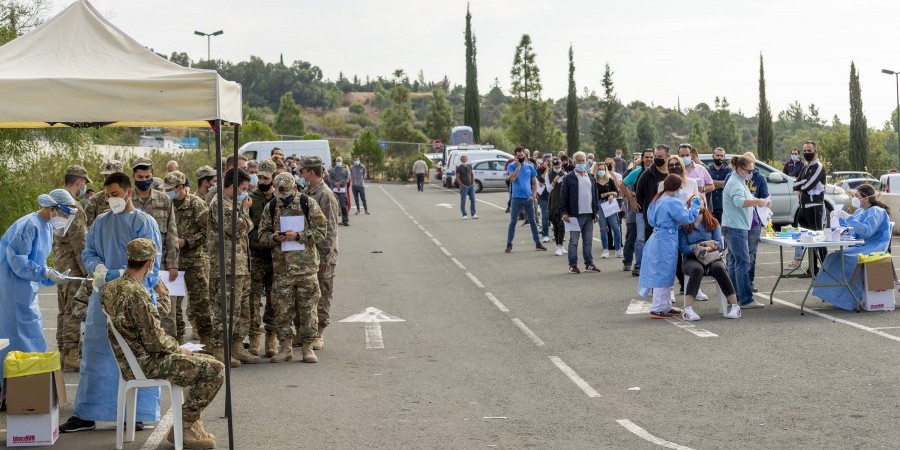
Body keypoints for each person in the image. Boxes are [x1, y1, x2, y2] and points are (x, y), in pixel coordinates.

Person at [62, 172, 163, 433]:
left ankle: (135, 412)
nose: (111, 200)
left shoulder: (143, 222)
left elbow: (152, 263)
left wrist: (123, 275)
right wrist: (99, 268)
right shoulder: (101, 222)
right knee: (96, 353)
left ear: (129, 192)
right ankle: (87, 412)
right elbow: (89, 252)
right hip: (103, 297)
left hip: (133, 299)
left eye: (115, 195)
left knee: (134, 354)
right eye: (108, 196)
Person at [102, 238, 224, 449]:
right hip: (147, 362)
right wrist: (180, 349)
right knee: (216, 369)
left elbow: (147, 320)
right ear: (150, 262)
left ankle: (190, 424)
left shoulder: (111, 288)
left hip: (134, 359)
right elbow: (155, 341)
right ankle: (184, 426)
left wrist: (160, 295)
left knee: (206, 360)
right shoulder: (137, 294)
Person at [0, 190, 77, 383]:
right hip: (11, 288)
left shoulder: (46, 227)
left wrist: (50, 276)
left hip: (24, 288)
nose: (65, 219)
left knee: (29, 332)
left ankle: (27, 387)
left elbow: (37, 262)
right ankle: (15, 387)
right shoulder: (29, 225)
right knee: (15, 336)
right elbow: (19, 263)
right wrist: (44, 272)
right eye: (65, 214)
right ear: (53, 208)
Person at [258, 173, 328, 363]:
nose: (284, 200)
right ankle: (285, 348)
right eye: (281, 197)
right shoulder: (271, 206)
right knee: (282, 310)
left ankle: (307, 347)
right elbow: (261, 235)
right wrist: (274, 238)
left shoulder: (308, 203)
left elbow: (321, 231)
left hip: (306, 268)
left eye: (287, 195)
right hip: (282, 269)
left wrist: (298, 236)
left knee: (308, 310)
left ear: (295, 188)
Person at [207, 168, 259, 366]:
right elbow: (237, 229)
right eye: (243, 188)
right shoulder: (221, 205)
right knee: (225, 310)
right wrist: (246, 211)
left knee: (241, 309)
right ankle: (220, 349)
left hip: (240, 266)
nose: (245, 193)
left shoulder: (233, 204)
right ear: (233, 186)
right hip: (226, 267)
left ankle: (237, 346)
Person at [813, 184, 892, 310]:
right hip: (862, 245)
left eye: (857, 196)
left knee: (842, 258)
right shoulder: (861, 211)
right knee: (833, 256)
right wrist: (838, 219)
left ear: (865, 198)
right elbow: (853, 228)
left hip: (874, 247)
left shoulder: (877, 211)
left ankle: (848, 298)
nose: (854, 198)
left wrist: (847, 217)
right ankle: (835, 295)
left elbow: (866, 231)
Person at [131, 157, 181, 339]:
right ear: (133, 176)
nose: (144, 180)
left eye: (147, 176)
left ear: (152, 176)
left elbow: (171, 234)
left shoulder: (164, 200)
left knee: (166, 310)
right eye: (140, 177)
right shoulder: (127, 200)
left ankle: (168, 348)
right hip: (134, 266)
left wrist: (173, 263)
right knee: (137, 310)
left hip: (161, 266)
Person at [638, 175, 702, 318]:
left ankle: (665, 305)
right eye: (680, 187)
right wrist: (696, 205)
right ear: (675, 187)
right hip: (666, 239)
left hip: (658, 237)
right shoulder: (673, 202)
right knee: (663, 272)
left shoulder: (657, 200)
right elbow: (687, 218)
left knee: (665, 271)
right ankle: (657, 308)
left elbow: (650, 220)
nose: (680, 190)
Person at [163, 171, 210, 346]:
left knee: (201, 301)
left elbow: (209, 231)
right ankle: (178, 338)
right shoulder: (166, 204)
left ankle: (207, 339)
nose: (167, 192)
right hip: (173, 262)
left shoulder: (196, 204)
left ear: (180, 187)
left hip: (195, 260)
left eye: (170, 189)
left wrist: (187, 242)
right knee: (173, 303)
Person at [298, 156, 341, 351]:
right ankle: (307, 331)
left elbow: (330, 230)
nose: (300, 174)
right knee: (309, 295)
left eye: (303, 171)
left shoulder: (325, 195)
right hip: (308, 255)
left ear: (311, 172)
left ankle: (319, 333)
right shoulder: (308, 192)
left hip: (323, 255)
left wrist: (325, 257)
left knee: (323, 294)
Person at [678, 195, 742, 321]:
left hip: (711, 257)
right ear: (690, 206)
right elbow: (684, 248)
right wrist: (698, 246)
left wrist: (707, 247)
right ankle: (687, 310)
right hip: (691, 258)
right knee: (697, 269)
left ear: (705, 204)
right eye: (694, 200)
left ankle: (735, 306)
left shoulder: (713, 222)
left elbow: (720, 244)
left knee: (719, 268)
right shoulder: (684, 226)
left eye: (700, 200)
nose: (698, 202)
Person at [55, 166, 91, 371]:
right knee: (72, 312)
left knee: (63, 311)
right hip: (73, 269)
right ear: (79, 182)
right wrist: (88, 271)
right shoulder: (73, 207)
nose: (85, 187)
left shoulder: (56, 203)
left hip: (60, 265)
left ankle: (62, 351)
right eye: (84, 182)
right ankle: (71, 355)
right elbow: (80, 244)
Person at [722, 155, 770, 310]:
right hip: (736, 227)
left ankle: (734, 296)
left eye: (753, 170)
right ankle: (745, 299)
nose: (751, 173)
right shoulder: (735, 182)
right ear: (740, 169)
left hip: (737, 225)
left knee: (736, 262)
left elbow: (746, 198)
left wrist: (760, 201)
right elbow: (739, 202)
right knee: (742, 262)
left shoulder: (739, 181)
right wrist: (759, 202)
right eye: (749, 170)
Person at [248, 160, 277, 356]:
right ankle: (254, 338)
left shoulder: (280, 199)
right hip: (255, 255)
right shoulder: (251, 198)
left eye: (266, 177)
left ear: (273, 177)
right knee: (252, 299)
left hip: (275, 256)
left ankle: (272, 339)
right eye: (259, 177)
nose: (262, 180)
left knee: (274, 298)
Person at [559, 151, 600, 273]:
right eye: (579, 161)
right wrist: (564, 212)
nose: (581, 163)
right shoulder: (569, 178)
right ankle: (573, 265)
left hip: (589, 214)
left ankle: (589, 264)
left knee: (588, 241)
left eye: (583, 161)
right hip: (574, 215)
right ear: (575, 162)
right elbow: (563, 196)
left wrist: (596, 212)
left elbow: (595, 195)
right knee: (574, 242)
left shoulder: (590, 177)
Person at [791, 141, 827, 270]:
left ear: (815, 151)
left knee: (818, 237)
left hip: (814, 206)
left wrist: (802, 185)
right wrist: (801, 184)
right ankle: (813, 268)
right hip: (803, 207)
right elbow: (795, 184)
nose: (806, 153)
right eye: (804, 151)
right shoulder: (805, 167)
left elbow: (808, 185)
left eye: (809, 151)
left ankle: (826, 267)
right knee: (807, 239)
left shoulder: (818, 167)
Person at [505, 147, 547, 253]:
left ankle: (538, 243)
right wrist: (518, 167)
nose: (521, 158)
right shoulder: (511, 166)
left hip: (528, 198)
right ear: (515, 156)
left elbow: (534, 182)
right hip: (516, 198)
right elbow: (512, 178)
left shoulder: (530, 167)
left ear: (525, 155)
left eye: (522, 156)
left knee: (533, 221)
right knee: (513, 221)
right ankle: (509, 244)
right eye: (518, 156)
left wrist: (533, 195)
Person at [741, 152, 770, 294]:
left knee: (751, 252)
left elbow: (765, 198)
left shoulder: (759, 178)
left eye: (751, 166)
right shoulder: (734, 177)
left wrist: (764, 202)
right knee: (735, 254)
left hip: (754, 220)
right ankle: (735, 283)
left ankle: (750, 282)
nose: (749, 171)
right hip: (738, 220)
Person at [623, 149, 654, 275]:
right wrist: (632, 201)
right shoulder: (637, 172)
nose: (649, 159)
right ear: (642, 158)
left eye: (651, 157)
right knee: (640, 238)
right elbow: (622, 184)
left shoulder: (659, 172)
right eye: (646, 157)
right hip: (641, 211)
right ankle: (638, 265)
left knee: (654, 239)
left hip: (656, 211)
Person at [594, 161, 621, 259]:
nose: (601, 171)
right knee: (603, 228)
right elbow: (595, 196)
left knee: (615, 227)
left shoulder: (609, 180)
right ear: (596, 170)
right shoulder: (594, 181)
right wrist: (606, 194)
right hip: (600, 205)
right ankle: (605, 249)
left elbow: (617, 192)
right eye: (599, 169)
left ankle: (618, 249)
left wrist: (611, 194)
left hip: (610, 204)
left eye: (603, 169)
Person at [548, 158, 568, 256]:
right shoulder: (549, 175)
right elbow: (548, 189)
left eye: (559, 167)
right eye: (556, 167)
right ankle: (557, 246)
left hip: (563, 202)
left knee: (562, 225)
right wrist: (555, 180)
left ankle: (560, 245)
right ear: (553, 166)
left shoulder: (565, 175)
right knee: (556, 225)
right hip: (554, 203)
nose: (558, 168)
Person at [707, 147, 732, 224]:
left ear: (724, 157)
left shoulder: (728, 171)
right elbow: (706, 184)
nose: (719, 157)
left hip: (724, 208)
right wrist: (722, 184)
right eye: (717, 155)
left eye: (721, 156)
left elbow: (728, 184)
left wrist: (712, 182)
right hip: (711, 207)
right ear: (713, 156)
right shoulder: (707, 170)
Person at [328, 157, 351, 226]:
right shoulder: (331, 170)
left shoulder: (345, 170)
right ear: (336, 161)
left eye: (340, 161)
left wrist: (340, 183)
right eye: (338, 161)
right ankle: (334, 221)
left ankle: (345, 220)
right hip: (333, 190)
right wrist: (335, 183)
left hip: (342, 191)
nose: (339, 162)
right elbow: (329, 179)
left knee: (343, 206)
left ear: (342, 161)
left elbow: (347, 179)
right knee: (333, 206)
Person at [456, 155, 477, 219]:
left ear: (467, 159)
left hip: (471, 186)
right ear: (461, 160)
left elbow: (472, 174)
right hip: (464, 187)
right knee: (463, 201)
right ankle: (464, 214)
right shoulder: (459, 168)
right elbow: (457, 178)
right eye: (463, 158)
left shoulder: (469, 166)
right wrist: (462, 185)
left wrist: (473, 182)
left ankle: (473, 214)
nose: (464, 159)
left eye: (465, 158)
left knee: (473, 200)